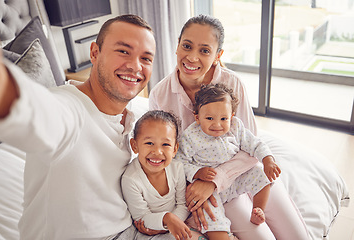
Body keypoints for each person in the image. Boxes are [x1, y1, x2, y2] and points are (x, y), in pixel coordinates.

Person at [0, 14, 168, 240]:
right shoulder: (69, 109)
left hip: (130, 229)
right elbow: (37, 114)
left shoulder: (131, 116)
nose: (136, 66)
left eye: (146, 58)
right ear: (95, 53)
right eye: (123, 51)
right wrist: (2, 88)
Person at [149, 14, 309, 240]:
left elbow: (250, 145)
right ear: (177, 46)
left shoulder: (232, 83)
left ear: (217, 55)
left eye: (204, 50)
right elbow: (167, 155)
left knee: (298, 236)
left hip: (242, 171)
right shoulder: (160, 95)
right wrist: (192, 189)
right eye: (187, 46)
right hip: (206, 183)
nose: (192, 57)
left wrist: (215, 181)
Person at [175, 83, 280, 240]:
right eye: (209, 118)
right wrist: (197, 172)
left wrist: (268, 159)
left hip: (233, 180)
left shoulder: (236, 127)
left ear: (231, 116)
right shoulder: (190, 136)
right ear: (197, 117)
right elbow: (179, 162)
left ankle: (257, 210)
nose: (217, 125)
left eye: (223, 118)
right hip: (209, 189)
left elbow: (255, 144)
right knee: (212, 217)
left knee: (260, 174)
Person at [121, 110, 192, 240]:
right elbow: (141, 217)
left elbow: (183, 204)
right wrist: (166, 220)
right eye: (149, 143)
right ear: (135, 146)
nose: (157, 152)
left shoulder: (177, 168)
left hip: (176, 223)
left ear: (175, 149)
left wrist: (172, 223)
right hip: (148, 231)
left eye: (165, 144)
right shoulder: (131, 179)